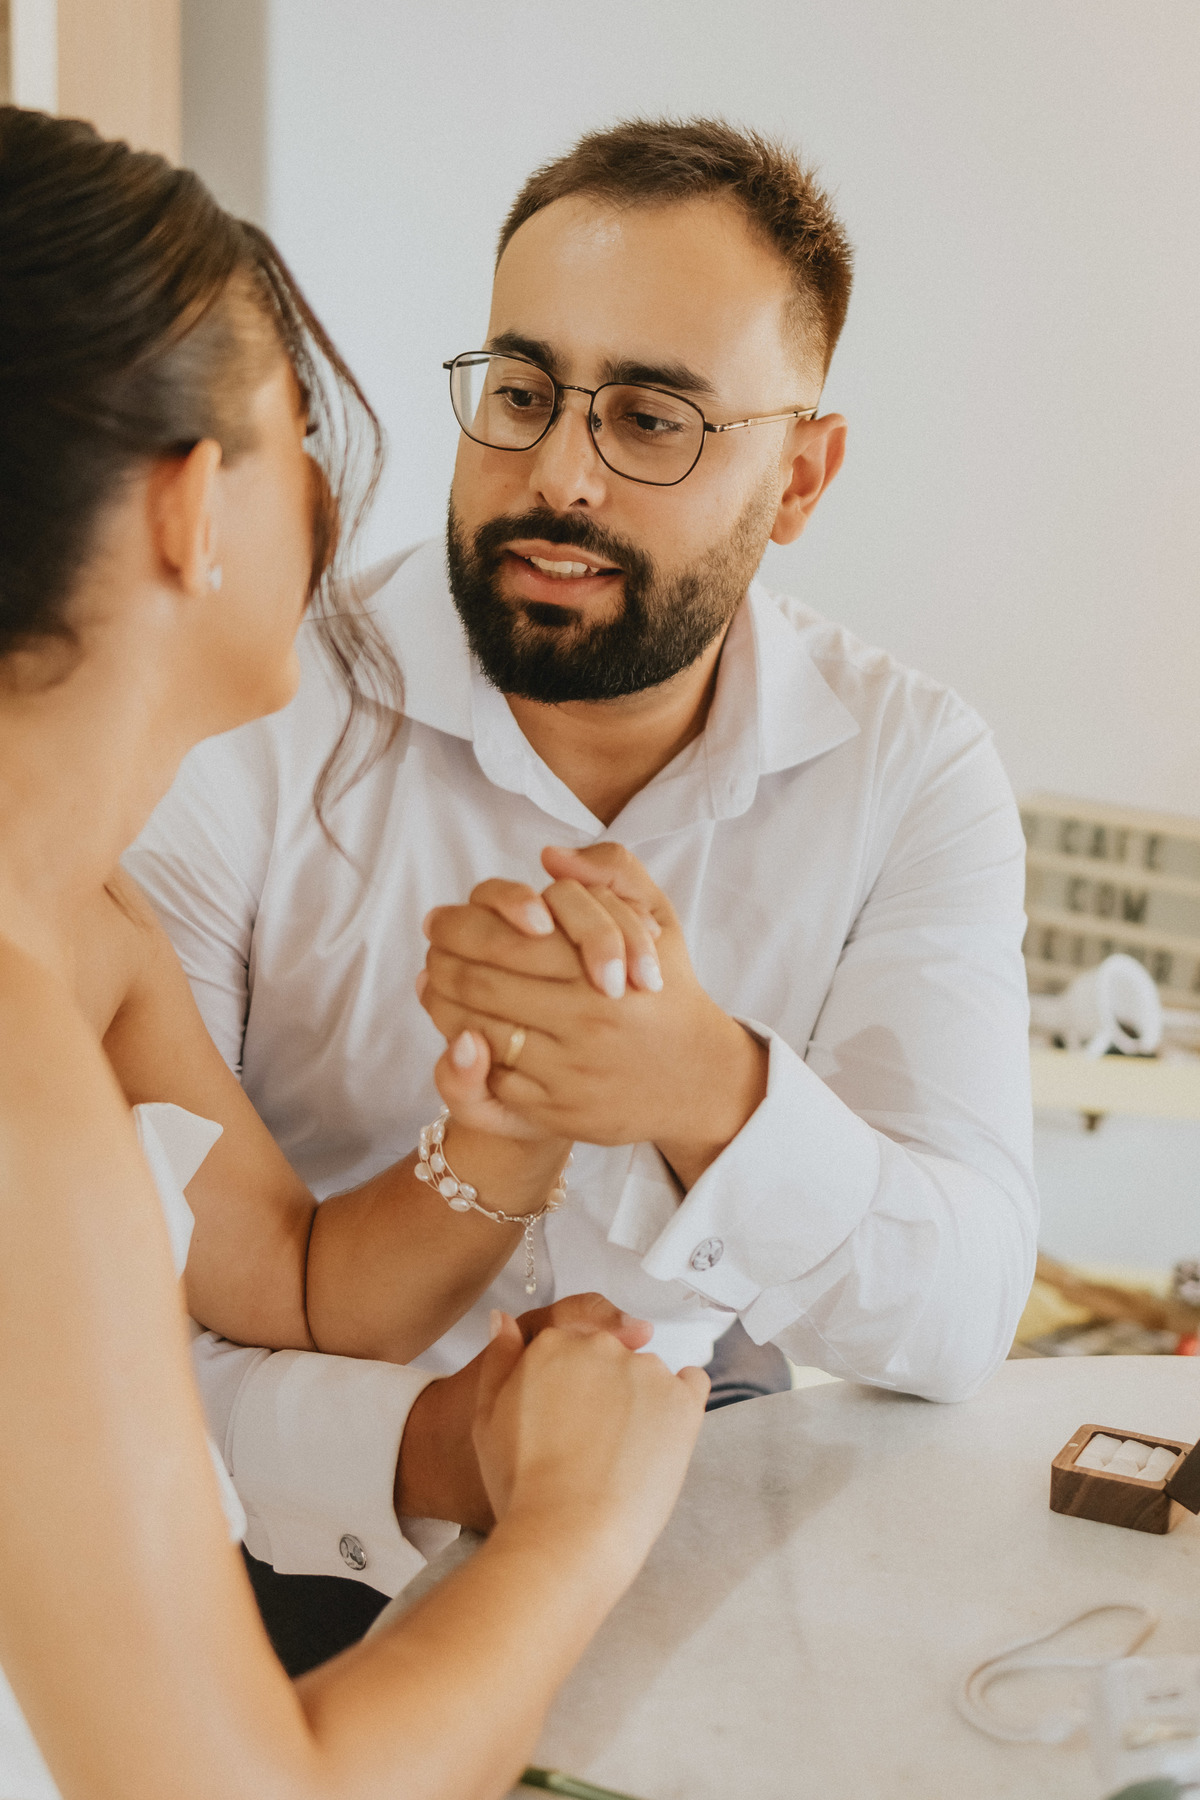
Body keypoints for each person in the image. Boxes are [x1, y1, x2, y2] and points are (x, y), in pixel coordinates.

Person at [130, 116, 1038, 1642]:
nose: (559, 476)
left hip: (711, 1575)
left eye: (652, 419)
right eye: (523, 392)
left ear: (801, 475)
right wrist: (445, 1455)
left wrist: (706, 1089)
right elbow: (97, 1327)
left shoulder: (911, 769)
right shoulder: (246, 716)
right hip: (256, 1583)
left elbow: (960, 1314)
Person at [0, 103, 708, 1800]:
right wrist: (577, 1525)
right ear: (191, 509)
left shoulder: (84, 941)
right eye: (299, 434)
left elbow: (298, 1277)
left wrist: (506, 1129)